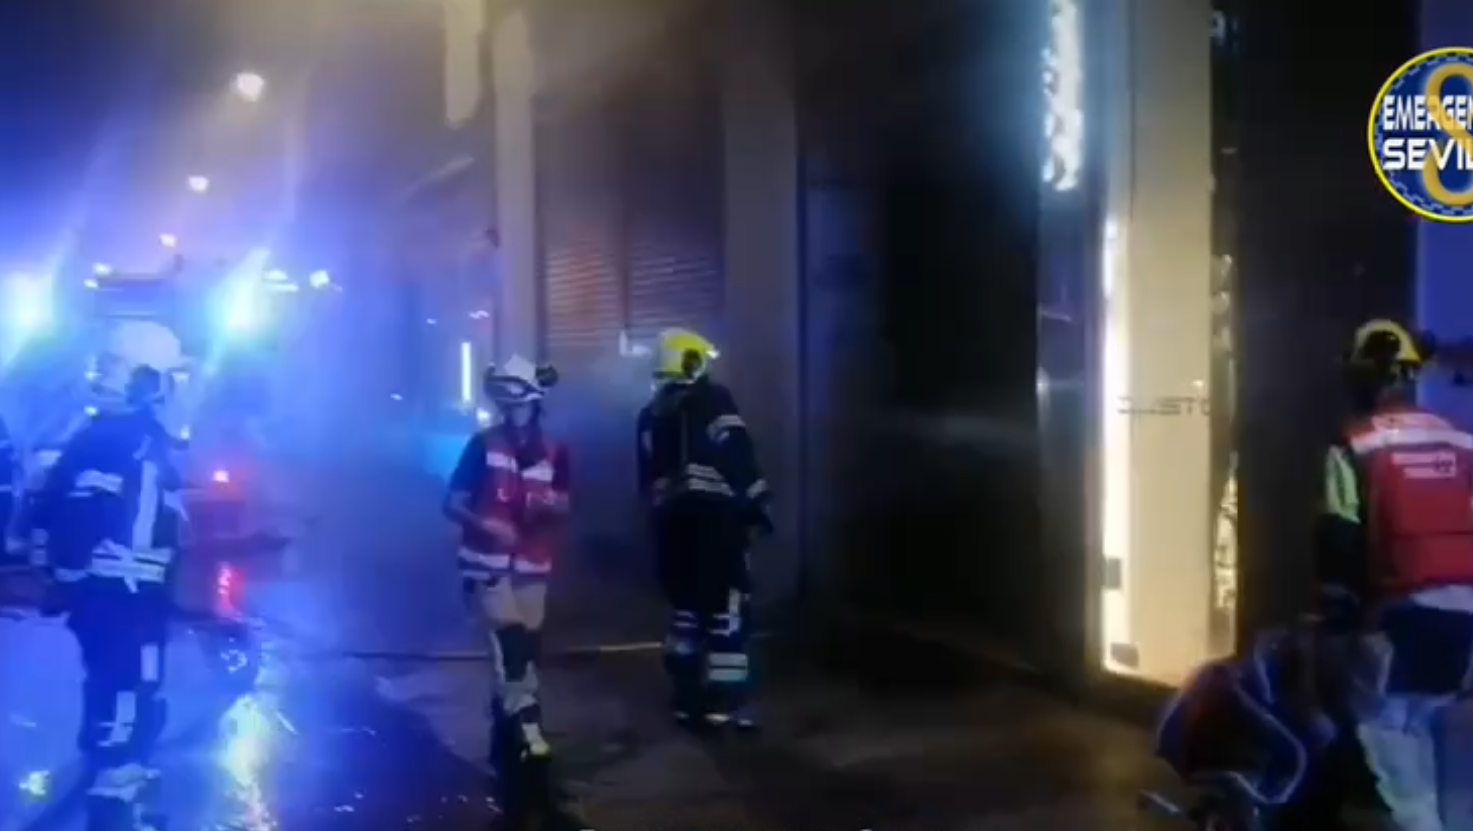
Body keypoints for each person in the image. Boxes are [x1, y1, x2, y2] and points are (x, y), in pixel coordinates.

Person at [1318, 319, 1473, 831]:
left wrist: (1337, 624)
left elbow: (1339, 538)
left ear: (1363, 379)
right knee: (1440, 741)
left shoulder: (1353, 445)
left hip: (1400, 619)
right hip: (1466, 623)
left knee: (1390, 736)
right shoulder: (1459, 439)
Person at [35, 363, 184, 831]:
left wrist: (58, 574)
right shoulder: (143, 442)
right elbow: (145, 522)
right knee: (135, 676)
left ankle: (104, 755)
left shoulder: (87, 438)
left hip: (93, 587)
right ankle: (118, 774)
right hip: (131, 586)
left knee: (104, 672)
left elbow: (46, 505)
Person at [636, 328, 772, 730]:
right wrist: (759, 501)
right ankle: (723, 705)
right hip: (717, 527)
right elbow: (738, 453)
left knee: (686, 617)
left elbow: (647, 481)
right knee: (726, 613)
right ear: (691, 361)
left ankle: (685, 700)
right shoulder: (714, 399)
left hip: (672, 532)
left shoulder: (649, 415)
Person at [444, 355, 569, 762]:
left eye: (518, 403)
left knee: (525, 650)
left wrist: (550, 505)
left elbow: (565, 502)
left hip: (532, 566)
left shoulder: (555, 451)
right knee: (511, 644)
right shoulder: (482, 446)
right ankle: (529, 725)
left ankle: (506, 720)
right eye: (506, 405)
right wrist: (485, 525)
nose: (512, 412)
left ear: (534, 401)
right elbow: (452, 503)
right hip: (487, 566)